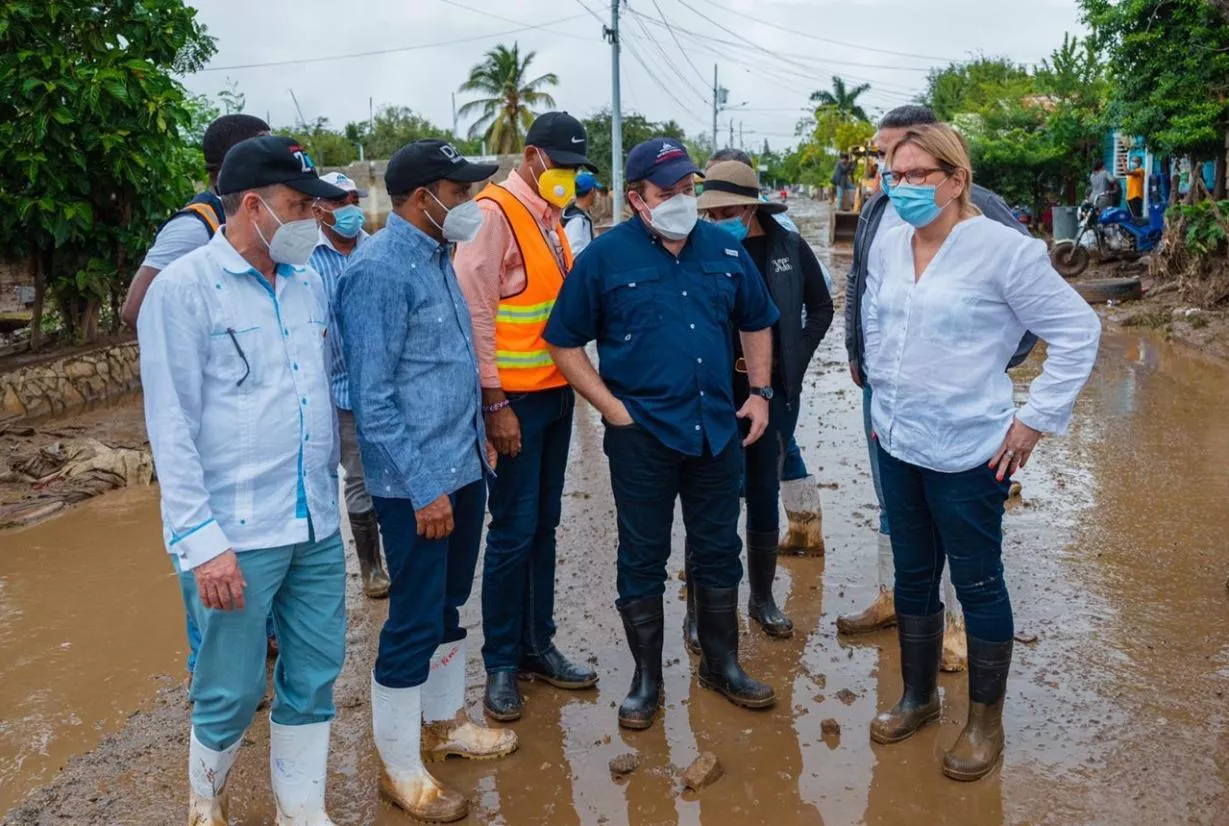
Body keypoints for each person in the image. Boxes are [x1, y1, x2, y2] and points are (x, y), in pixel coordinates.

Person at [864, 123, 1100, 780]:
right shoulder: (888, 240)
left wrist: (1032, 423)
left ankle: (983, 723)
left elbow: (1077, 331)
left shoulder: (1005, 252)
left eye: (917, 174)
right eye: (893, 173)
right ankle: (917, 696)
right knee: (913, 574)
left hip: (970, 449)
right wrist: (881, 404)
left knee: (976, 581)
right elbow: (882, 326)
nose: (901, 186)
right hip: (898, 440)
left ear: (956, 179)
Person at [137, 136, 349, 825]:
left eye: (315, 205)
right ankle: (206, 797)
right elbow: (170, 428)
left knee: (314, 671)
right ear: (253, 205)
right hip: (236, 529)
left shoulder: (308, 279)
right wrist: (203, 544)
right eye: (297, 205)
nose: (312, 219)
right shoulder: (184, 289)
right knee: (230, 688)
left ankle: (300, 809)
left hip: (314, 521)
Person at [544, 138, 780, 730]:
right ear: (636, 198)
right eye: (667, 192)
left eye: (688, 190)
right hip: (641, 436)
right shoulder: (605, 258)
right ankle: (646, 678)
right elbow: (563, 341)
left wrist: (759, 393)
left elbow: (757, 321)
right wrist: (611, 409)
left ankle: (721, 665)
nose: (682, 200)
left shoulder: (724, 250)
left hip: (716, 434)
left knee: (719, 548)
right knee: (643, 556)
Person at [338, 139, 516, 824]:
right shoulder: (380, 272)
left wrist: (476, 447)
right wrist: (422, 487)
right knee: (411, 620)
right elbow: (373, 397)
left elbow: (447, 365)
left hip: (461, 467)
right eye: (461, 191)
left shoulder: (438, 255)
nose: (471, 203)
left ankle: (446, 726)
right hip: (416, 483)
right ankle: (399, 767)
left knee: (445, 606)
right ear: (423, 199)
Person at [840, 104, 1036, 673]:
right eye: (886, 163)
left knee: (968, 551)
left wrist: (990, 363)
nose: (891, 173)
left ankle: (955, 633)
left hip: (960, 420)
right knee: (898, 512)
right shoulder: (880, 208)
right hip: (889, 395)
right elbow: (864, 283)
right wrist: (862, 354)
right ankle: (893, 602)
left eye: (902, 161)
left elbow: (1032, 309)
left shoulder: (987, 214)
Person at [454, 112, 599, 723]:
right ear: (534, 157)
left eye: (575, 169)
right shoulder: (494, 214)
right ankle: (501, 665)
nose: (567, 177)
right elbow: (476, 315)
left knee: (544, 525)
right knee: (513, 531)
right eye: (561, 166)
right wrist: (493, 404)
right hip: (513, 404)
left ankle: (539, 644)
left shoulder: (550, 219)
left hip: (554, 397)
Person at [123, 113, 273, 677]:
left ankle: (254, 650)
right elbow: (137, 306)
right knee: (207, 543)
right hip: (201, 403)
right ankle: (209, 671)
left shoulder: (262, 227)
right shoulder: (193, 228)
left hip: (248, 412)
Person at [695, 160, 834, 642]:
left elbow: (822, 306)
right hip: (714, 392)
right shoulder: (697, 248)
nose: (718, 220)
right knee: (710, 499)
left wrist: (793, 353)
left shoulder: (788, 247)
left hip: (773, 394)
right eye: (711, 213)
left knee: (761, 492)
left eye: (727, 210)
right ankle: (701, 609)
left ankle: (762, 598)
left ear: (751, 206)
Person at [309, 171, 390, 600]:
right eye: (338, 201)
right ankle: (371, 567)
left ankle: (400, 555)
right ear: (319, 208)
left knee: (394, 472)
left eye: (353, 199)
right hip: (339, 392)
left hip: (384, 387)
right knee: (358, 478)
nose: (348, 208)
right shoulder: (305, 261)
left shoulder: (376, 250)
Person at [122, 114, 270, 328]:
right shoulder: (194, 226)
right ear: (233, 163)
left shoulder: (247, 215)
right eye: (264, 156)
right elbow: (135, 310)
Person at [563, 170, 601, 256]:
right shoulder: (577, 220)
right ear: (592, 192)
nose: (598, 195)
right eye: (596, 191)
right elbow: (574, 253)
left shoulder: (580, 215)